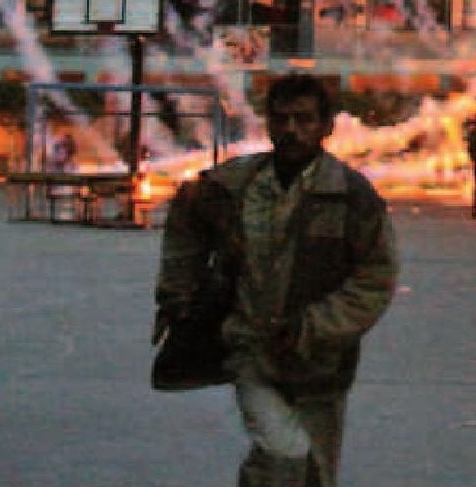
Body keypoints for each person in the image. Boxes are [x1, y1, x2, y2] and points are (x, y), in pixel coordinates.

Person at [154, 73, 398, 487]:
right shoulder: (232, 186)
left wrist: (315, 326)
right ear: (268, 124)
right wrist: (180, 292)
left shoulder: (352, 197)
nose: (292, 131)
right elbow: (186, 222)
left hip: (318, 362)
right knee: (285, 453)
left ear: (326, 126)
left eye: (304, 120)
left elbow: (375, 278)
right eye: (282, 119)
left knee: (315, 471)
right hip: (249, 347)